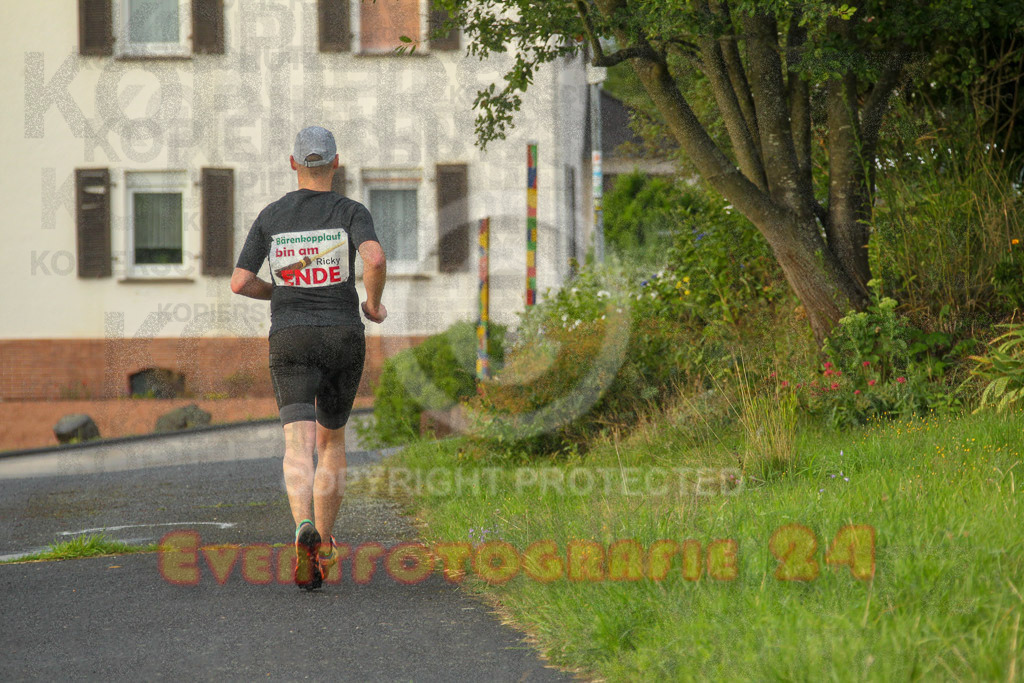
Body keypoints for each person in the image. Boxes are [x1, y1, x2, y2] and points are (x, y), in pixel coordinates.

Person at [230, 125, 387, 590]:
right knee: (331, 443)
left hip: (291, 335)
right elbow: (374, 258)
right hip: (342, 333)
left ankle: (302, 528)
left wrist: (282, 291)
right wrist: (373, 305)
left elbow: (239, 282)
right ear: (336, 163)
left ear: (293, 163)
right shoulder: (350, 211)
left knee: (296, 444)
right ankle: (327, 538)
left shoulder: (272, 216)